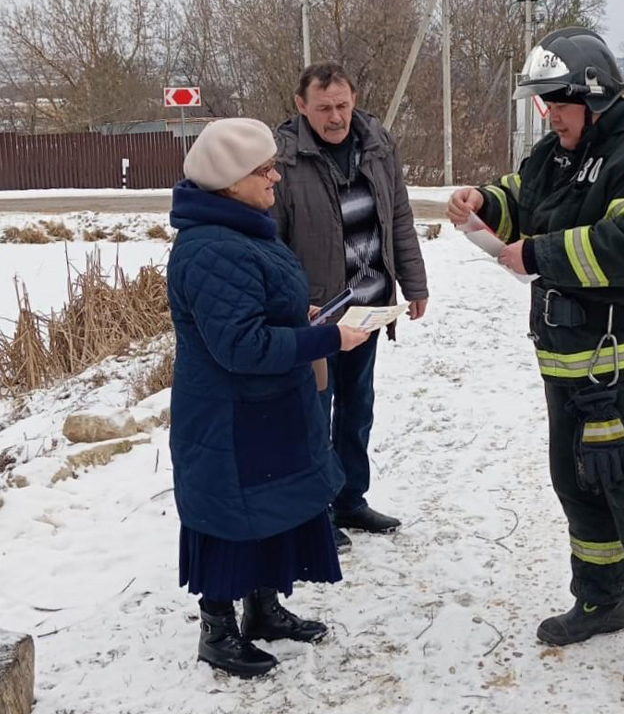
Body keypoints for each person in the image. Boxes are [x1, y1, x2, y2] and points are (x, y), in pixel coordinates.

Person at [445, 28, 624, 707]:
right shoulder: (561, 151)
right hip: (570, 363)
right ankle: (602, 601)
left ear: (593, 96)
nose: (549, 116)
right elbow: (523, 192)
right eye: (542, 105)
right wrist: (485, 203)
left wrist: (538, 255)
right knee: (580, 485)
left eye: (557, 104)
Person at [167, 117, 370, 677]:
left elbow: (256, 311)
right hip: (229, 416)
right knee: (231, 515)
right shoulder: (211, 247)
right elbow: (240, 345)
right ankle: (218, 631)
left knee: (267, 508)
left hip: (264, 407)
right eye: (264, 169)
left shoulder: (242, 229)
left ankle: (262, 609)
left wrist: (303, 317)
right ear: (232, 180)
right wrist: (328, 337)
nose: (276, 177)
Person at [271, 62, 429, 547]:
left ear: (354, 99)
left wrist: (413, 281)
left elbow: (397, 212)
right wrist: (290, 307)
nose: (335, 117)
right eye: (323, 108)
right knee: (313, 412)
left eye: (342, 105)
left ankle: (349, 501)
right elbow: (272, 241)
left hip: (369, 308)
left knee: (357, 408)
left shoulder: (377, 143)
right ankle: (312, 512)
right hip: (317, 315)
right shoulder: (283, 156)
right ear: (301, 106)